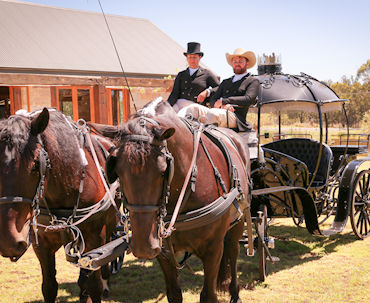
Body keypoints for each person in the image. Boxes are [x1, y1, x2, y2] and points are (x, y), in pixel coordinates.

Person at [178, 48, 259, 131]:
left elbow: (249, 99)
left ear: (247, 63)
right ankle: (187, 138)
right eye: (235, 61)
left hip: (236, 117)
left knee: (213, 113)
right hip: (218, 111)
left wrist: (225, 101)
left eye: (240, 61)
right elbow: (213, 99)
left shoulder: (252, 81)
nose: (237, 64)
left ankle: (205, 140)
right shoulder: (226, 81)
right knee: (193, 108)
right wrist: (221, 105)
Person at [168, 42, 220, 112]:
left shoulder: (207, 73)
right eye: (190, 57)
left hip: (197, 108)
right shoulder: (181, 75)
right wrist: (167, 106)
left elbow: (219, 87)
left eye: (194, 57)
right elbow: (174, 94)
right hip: (179, 104)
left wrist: (207, 92)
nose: (192, 60)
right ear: (186, 58)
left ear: (200, 57)